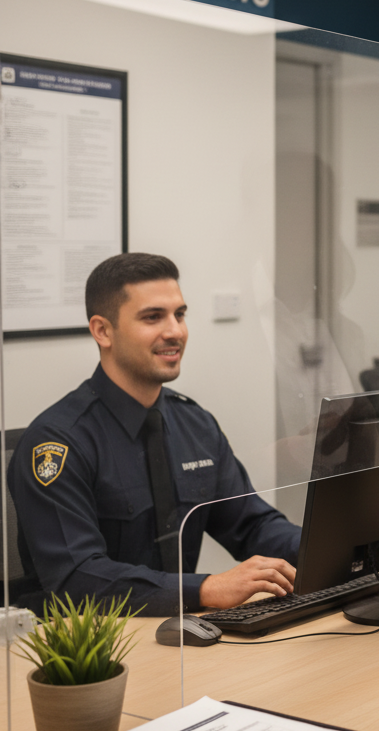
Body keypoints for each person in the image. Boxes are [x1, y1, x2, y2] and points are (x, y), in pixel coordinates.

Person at [11, 253, 302, 618]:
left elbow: (252, 524)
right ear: (103, 331)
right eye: (153, 317)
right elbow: (77, 575)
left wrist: (333, 546)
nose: (176, 331)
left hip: (180, 635)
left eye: (179, 314)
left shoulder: (196, 425)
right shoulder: (58, 442)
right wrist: (208, 588)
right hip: (90, 651)